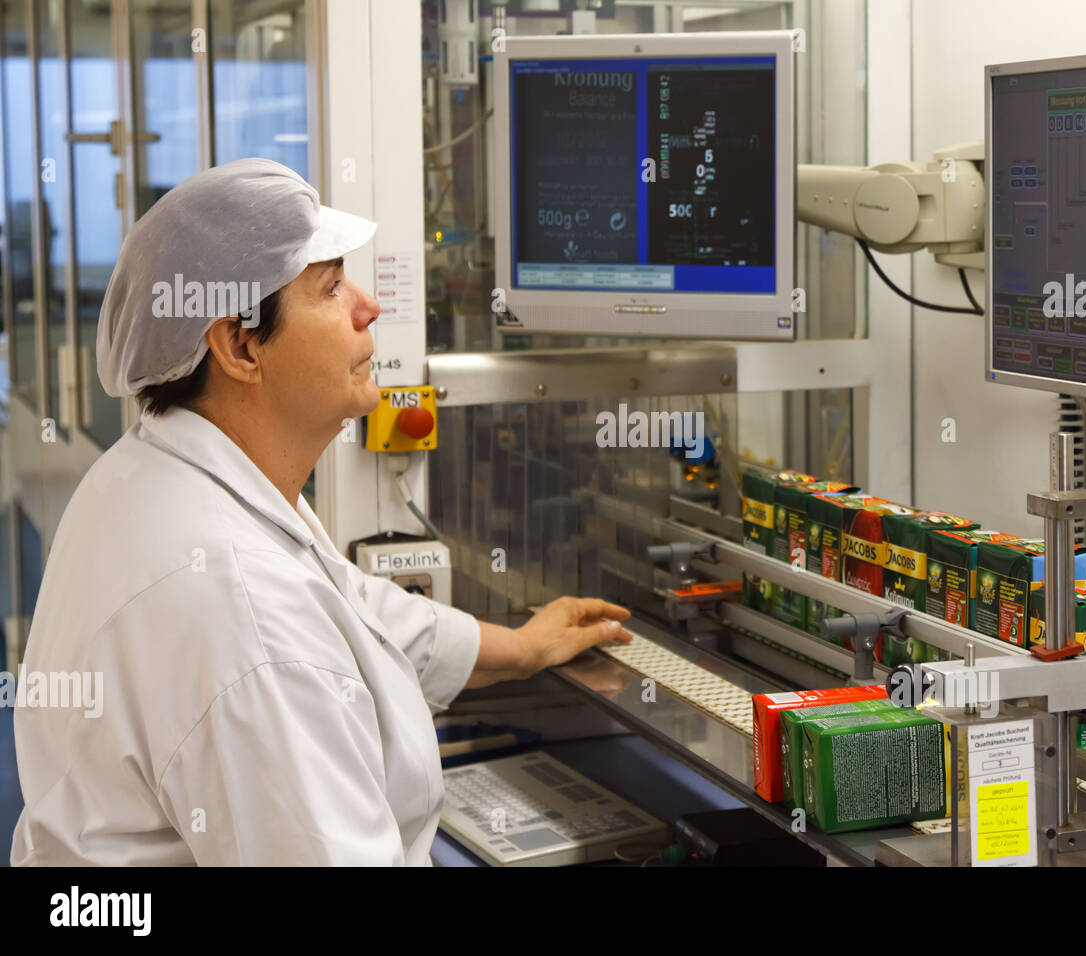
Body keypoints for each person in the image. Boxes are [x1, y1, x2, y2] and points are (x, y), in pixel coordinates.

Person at [9, 158, 632, 865]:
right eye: (331, 287)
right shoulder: (240, 609)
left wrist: (520, 647)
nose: (368, 307)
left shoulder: (162, 472)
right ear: (241, 344)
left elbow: (352, 608)